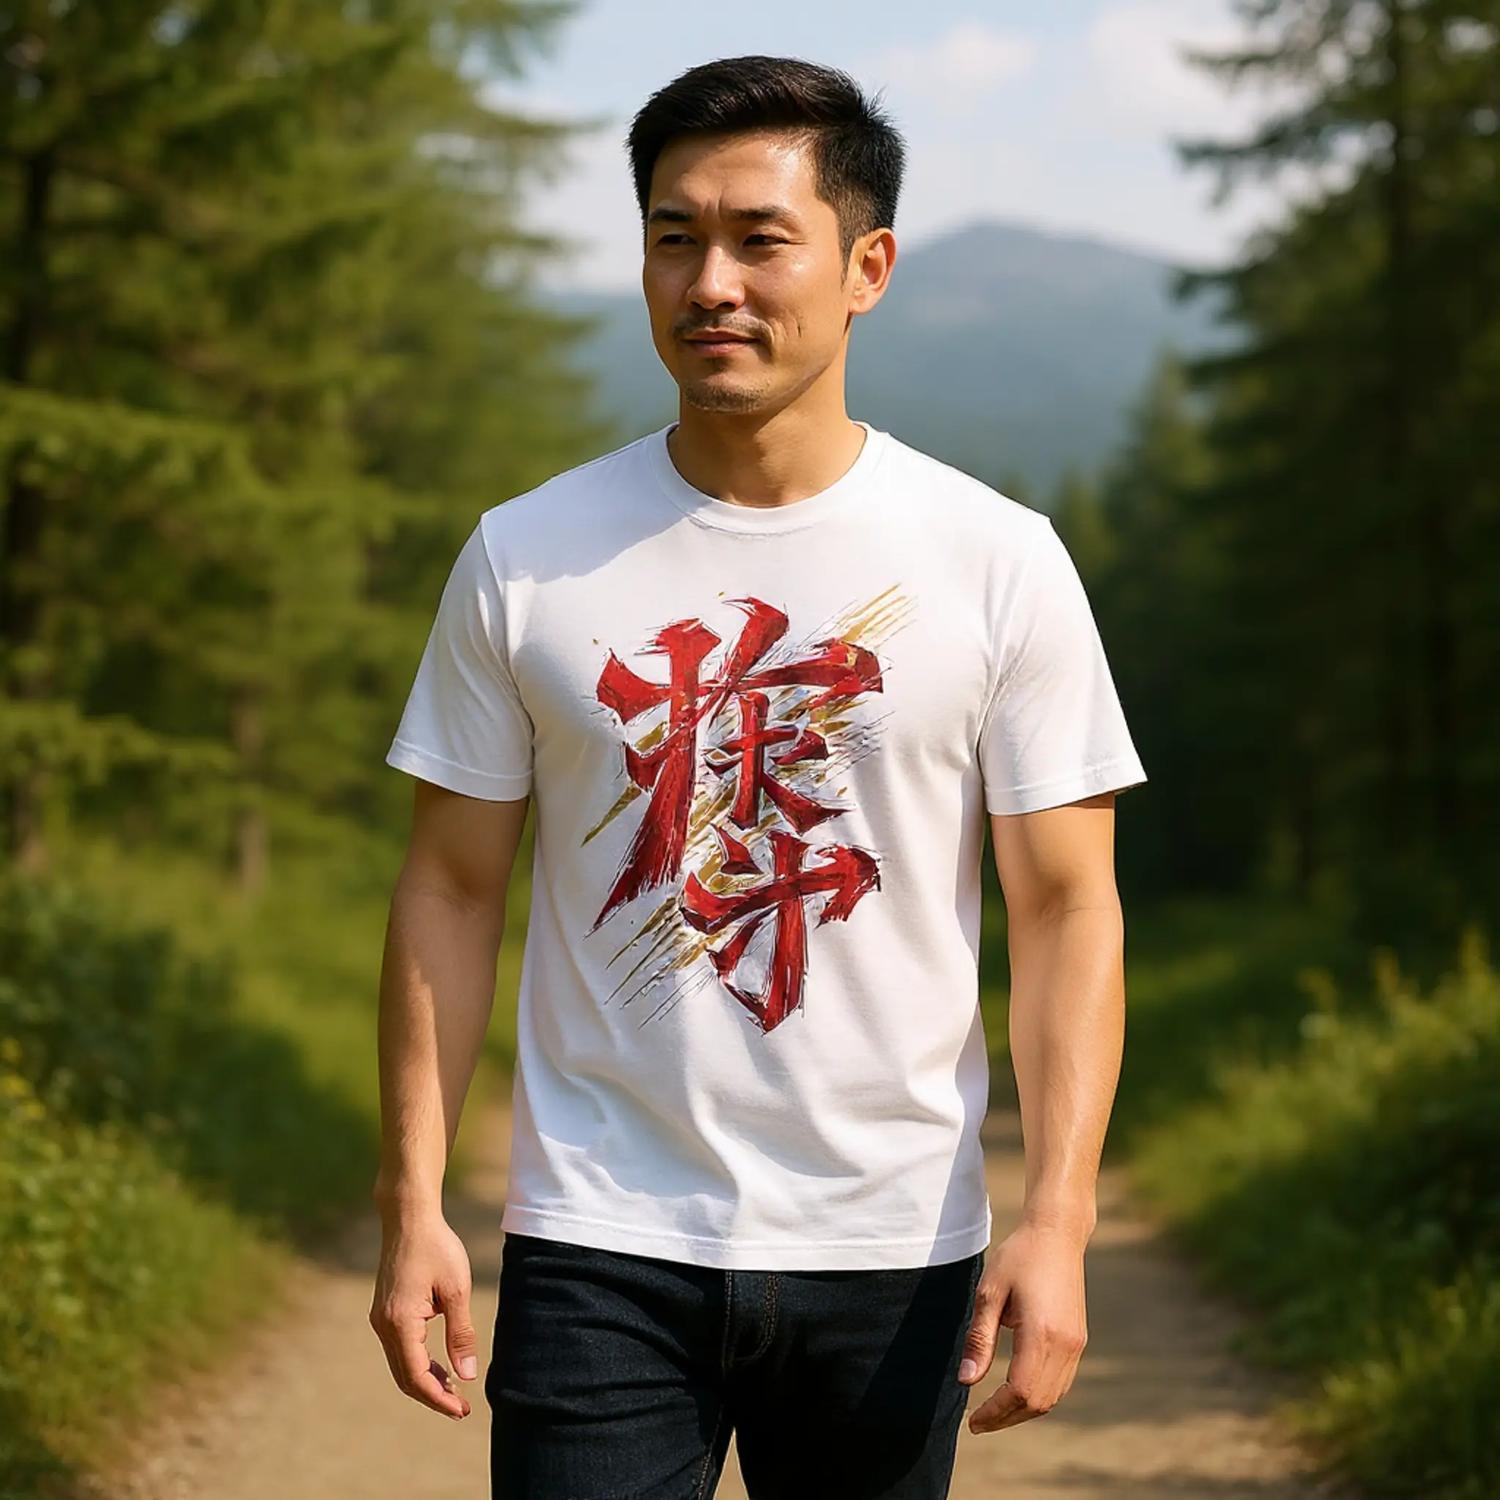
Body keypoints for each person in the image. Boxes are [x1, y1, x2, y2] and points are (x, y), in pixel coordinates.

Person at [367, 52, 1147, 1500]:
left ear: (868, 268)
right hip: (601, 1237)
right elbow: (452, 886)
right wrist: (412, 1201)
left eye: (758, 240)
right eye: (675, 237)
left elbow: (1065, 912)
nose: (709, 281)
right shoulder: (526, 557)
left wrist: (1060, 1219)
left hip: (891, 1250)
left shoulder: (996, 561)